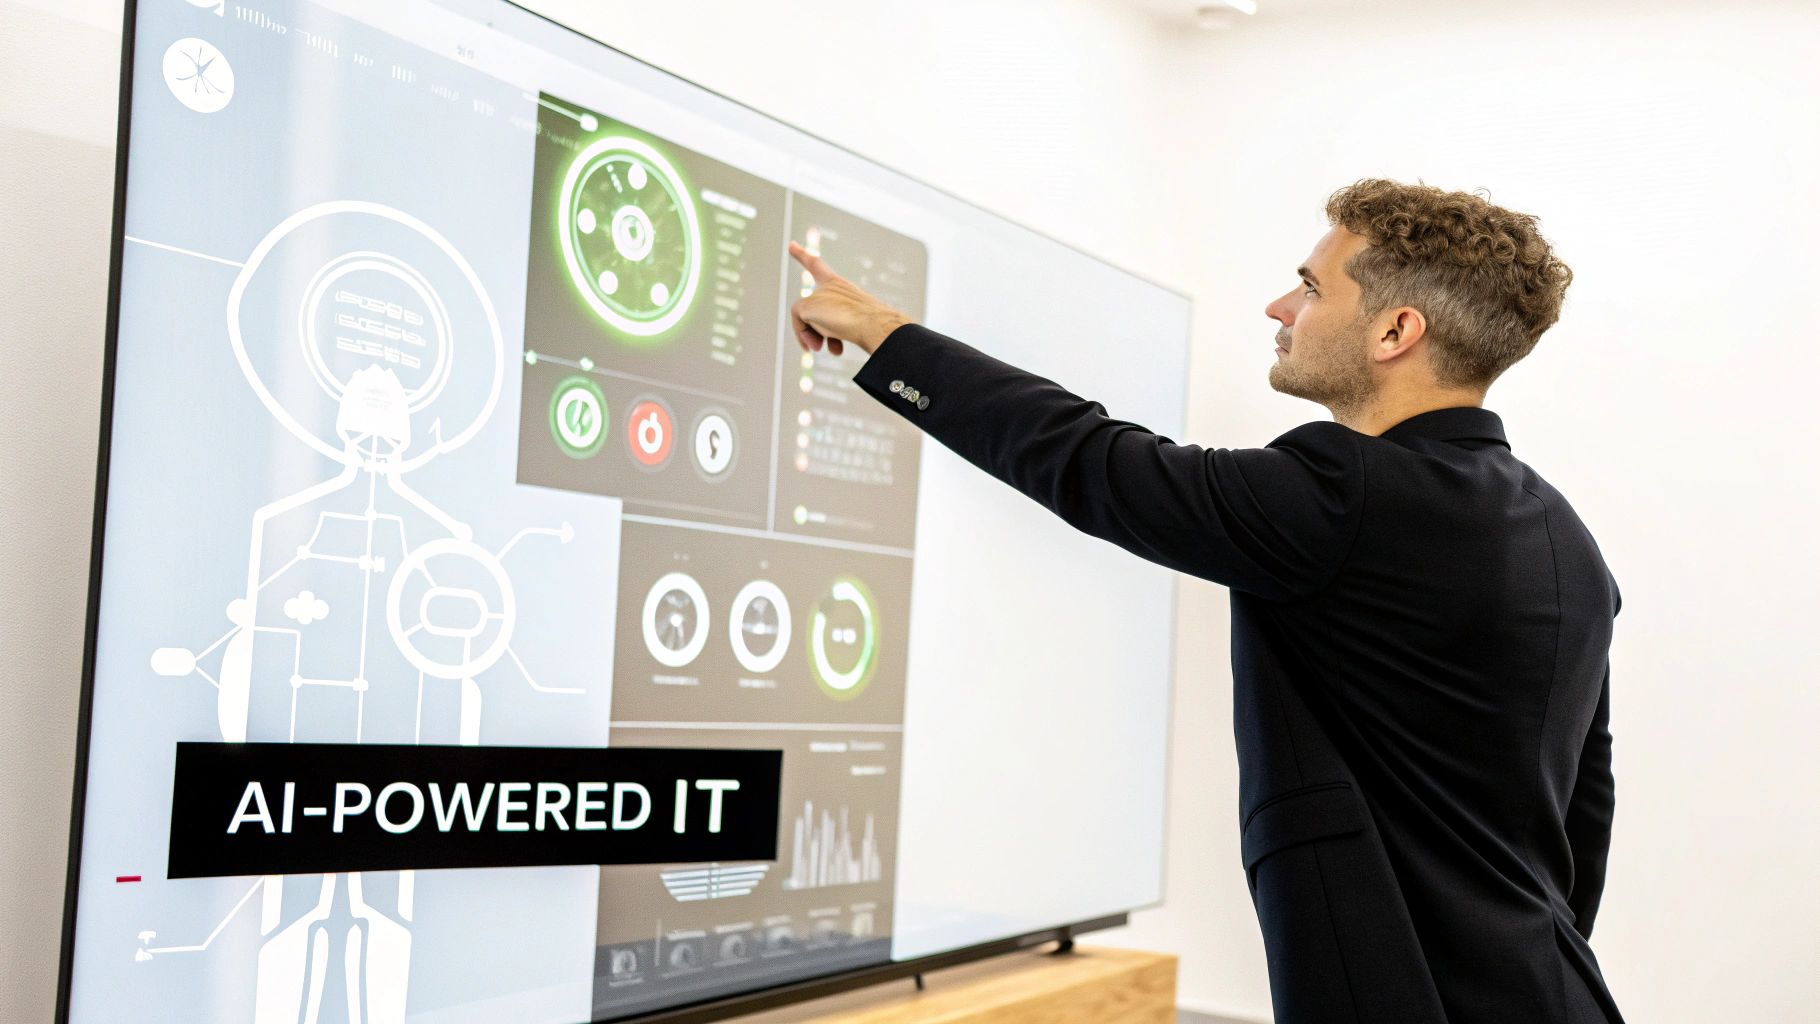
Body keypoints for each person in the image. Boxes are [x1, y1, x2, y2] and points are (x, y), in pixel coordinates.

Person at [786, 178, 1624, 1024]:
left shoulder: (1347, 496)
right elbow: (1584, 813)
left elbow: (1092, 462)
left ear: (1396, 331)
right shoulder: (1568, 541)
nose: (1279, 307)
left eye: (1309, 286)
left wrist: (888, 338)